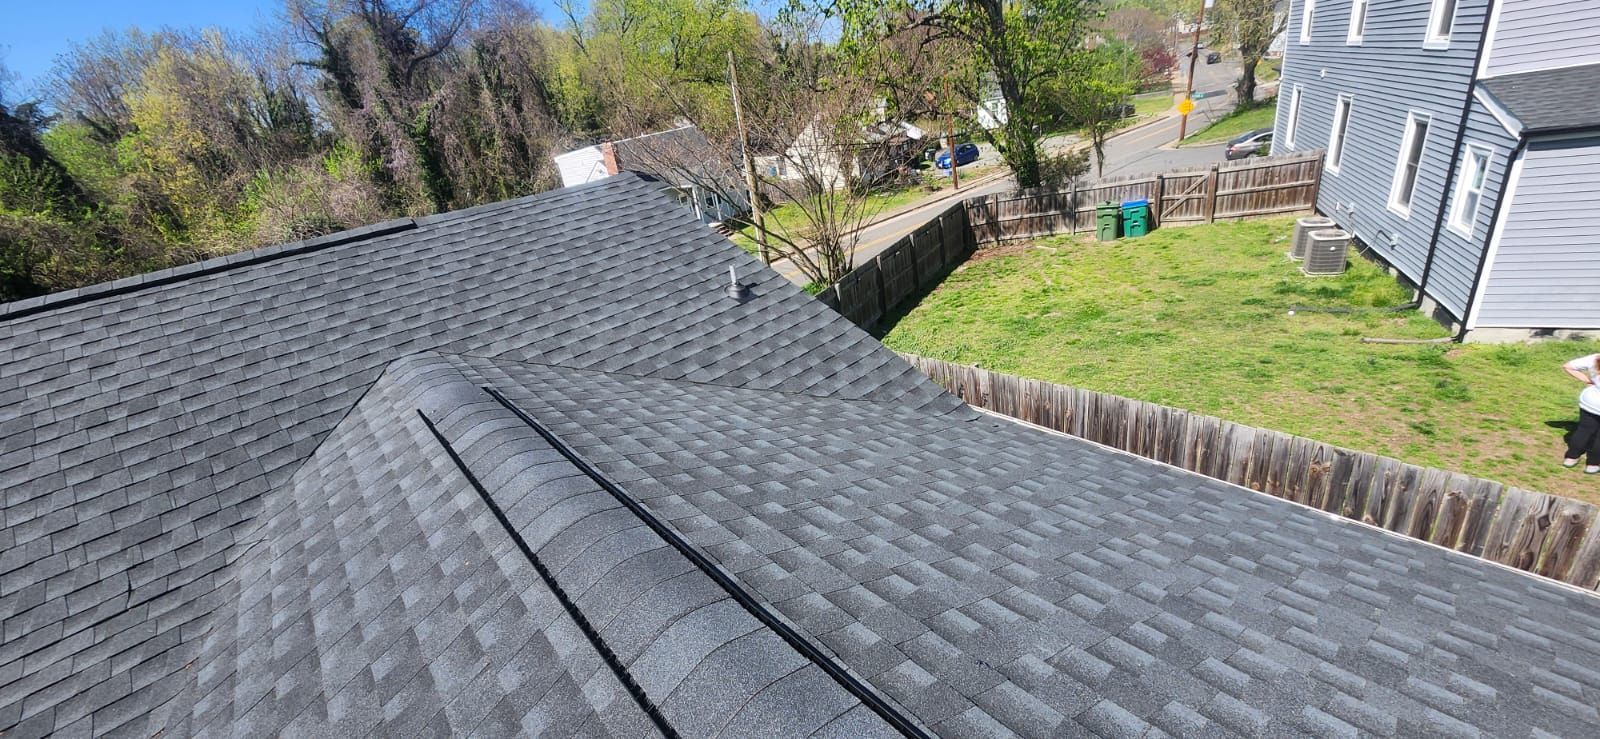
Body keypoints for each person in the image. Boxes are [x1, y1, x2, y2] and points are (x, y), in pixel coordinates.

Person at [1563, 352, 1600, 474]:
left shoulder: (1596, 358)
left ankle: (1571, 457)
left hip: (1591, 402)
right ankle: (1593, 464)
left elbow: (1568, 366)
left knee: (1583, 431)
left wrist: (1588, 380)